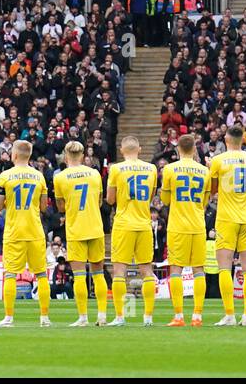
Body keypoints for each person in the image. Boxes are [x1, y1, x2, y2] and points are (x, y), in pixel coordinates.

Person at [0, 139, 51, 328]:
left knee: (10, 274)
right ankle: (44, 318)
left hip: (14, 231)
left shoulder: (5, 176)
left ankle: (9, 318)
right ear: (30, 155)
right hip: (35, 230)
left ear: (14, 155)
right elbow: (43, 207)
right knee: (41, 275)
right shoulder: (39, 176)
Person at [208, 124, 246, 326]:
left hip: (226, 219)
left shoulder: (218, 160)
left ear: (226, 140)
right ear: (243, 140)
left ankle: (230, 315)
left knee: (224, 268)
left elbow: (213, 190)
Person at [53, 140, 109, 327]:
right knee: (99, 274)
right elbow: (100, 201)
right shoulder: (94, 174)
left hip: (76, 229)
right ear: (84, 156)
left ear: (66, 156)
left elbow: (61, 207)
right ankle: (102, 315)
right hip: (95, 227)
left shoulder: (60, 177)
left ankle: (83, 317)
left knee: (78, 276)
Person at [105, 135, 158, 326]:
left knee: (119, 271)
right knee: (146, 271)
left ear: (121, 150)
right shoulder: (151, 168)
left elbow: (110, 199)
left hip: (124, 224)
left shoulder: (116, 169)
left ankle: (120, 317)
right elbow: (151, 195)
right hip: (144, 224)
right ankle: (148, 318)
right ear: (140, 149)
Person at [158, 133, 209, 327]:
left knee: (176, 270)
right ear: (194, 149)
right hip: (197, 225)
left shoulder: (170, 169)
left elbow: (164, 200)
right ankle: (197, 315)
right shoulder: (204, 171)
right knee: (198, 271)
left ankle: (179, 316)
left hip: (177, 225)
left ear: (178, 149)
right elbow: (204, 203)